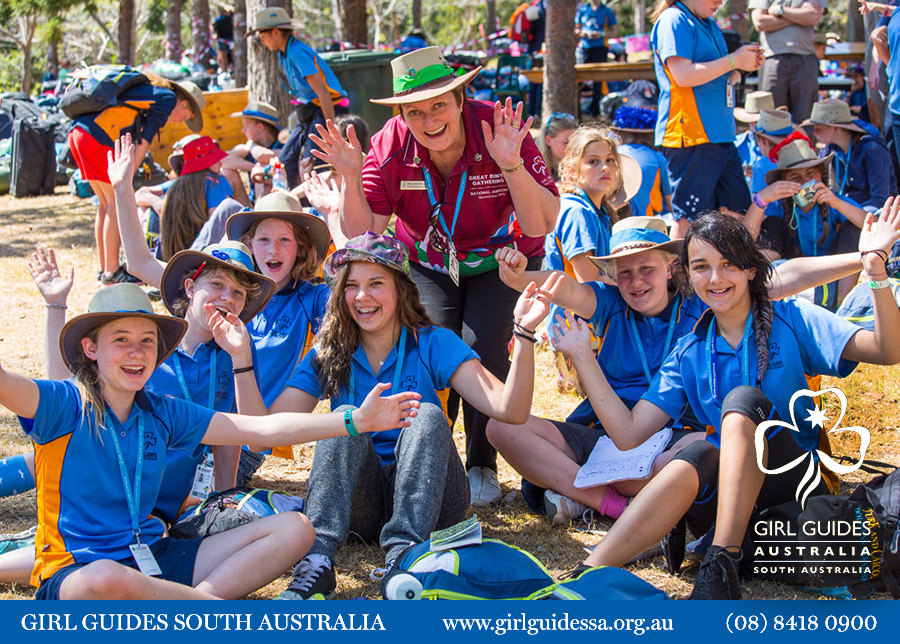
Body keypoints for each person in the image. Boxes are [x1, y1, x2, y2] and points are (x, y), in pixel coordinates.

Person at [554, 208, 900, 599]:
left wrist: (875, 273)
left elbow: (888, 349)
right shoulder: (689, 350)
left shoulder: (792, 317)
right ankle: (585, 575)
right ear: (686, 273)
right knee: (699, 450)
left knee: (742, 403)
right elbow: (628, 434)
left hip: (794, 485)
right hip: (719, 505)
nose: (715, 278)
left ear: (751, 270)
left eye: (729, 264)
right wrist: (584, 358)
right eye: (701, 267)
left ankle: (721, 564)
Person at [0, 279, 422, 600]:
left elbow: (258, 430)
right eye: (121, 341)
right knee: (102, 580)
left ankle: (193, 603)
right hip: (76, 572)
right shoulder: (63, 404)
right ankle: (207, 608)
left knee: (296, 528)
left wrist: (355, 421)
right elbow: (7, 384)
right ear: (91, 348)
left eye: (147, 341)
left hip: (153, 556)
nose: (137, 352)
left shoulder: (160, 409)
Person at [489, 214, 899, 526]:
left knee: (694, 454)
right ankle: (611, 504)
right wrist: (519, 275)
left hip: (682, 439)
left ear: (671, 267)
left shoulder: (706, 301)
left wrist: (866, 262)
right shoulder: (612, 304)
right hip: (613, 430)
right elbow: (561, 285)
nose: (635, 282)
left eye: (646, 268)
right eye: (624, 271)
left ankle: (580, 490)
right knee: (503, 428)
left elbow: (780, 278)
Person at [308, 46, 560, 507]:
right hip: (427, 258)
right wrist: (348, 176)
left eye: (439, 105)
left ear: (461, 100)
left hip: (500, 259)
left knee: (482, 342)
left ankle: (481, 462)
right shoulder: (388, 145)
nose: (428, 120)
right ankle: (428, 456)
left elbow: (542, 222)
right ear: (402, 114)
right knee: (432, 339)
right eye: (414, 111)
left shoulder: (498, 128)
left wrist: (511, 164)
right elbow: (364, 233)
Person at [267, 232, 551, 599]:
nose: (362, 296)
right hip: (361, 506)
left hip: (432, 502)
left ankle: (406, 557)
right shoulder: (330, 352)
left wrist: (524, 333)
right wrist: (241, 360)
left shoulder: (432, 340)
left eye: (376, 284)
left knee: (427, 414)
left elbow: (508, 410)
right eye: (351, 286)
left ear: (402, 289)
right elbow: (273, 428)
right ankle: (318, 560)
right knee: (344, 417)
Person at [224, 191, 333, 483]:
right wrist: (122, 189)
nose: (273, 250)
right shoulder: (232, 292)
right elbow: (142, 266)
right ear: (249, 245)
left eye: (285, 240)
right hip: (202, 426)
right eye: (263, 240)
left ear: (301, 247)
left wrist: (334, 217)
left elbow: (350, 299)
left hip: (246, 443)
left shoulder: (310, 297)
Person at [66, 74, 205, 283]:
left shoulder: (152, 92)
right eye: (185, 116)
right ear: (183, 103)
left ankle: (105, 267)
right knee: (114, 201)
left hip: (79, 133)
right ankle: (112, 272)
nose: (179, 121)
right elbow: (144, 141)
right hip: (96, 136)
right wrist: (127, 175)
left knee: (104, 204)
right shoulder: (167, 99)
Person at [650, 0, 763, 238]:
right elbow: (683, 75)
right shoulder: (674, 19)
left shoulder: (709, 23)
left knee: (736, 215)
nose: (720, 2)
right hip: (691, 136)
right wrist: (734, 60)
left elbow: (721, 78)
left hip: (720, 136)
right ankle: (676, 275)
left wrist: (743, 66)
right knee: (689, 221)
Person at [748, 132, 867, 304]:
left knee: (853, 227)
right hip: (793, 282)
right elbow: (747, 238)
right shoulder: (778, 205)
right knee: (772, 224)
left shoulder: (833, 200)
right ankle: (765, 293)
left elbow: (873, 226)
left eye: (811, 173)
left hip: (835, 276)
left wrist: (837, 203)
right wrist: (761, 199)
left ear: (822, 175)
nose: (805, 181)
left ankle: (843, 302)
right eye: (796, 177)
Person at [247, 7, 349, 189]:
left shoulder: (296, 52)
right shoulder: (283, 53)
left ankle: (314, 209)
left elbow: (323, 93)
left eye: (263, 36)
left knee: (312, 163)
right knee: (286, 161)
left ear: (276, 32)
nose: (261, 41)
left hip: (326, 109)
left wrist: (331, 133)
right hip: (309, 111)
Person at [158, 136, 249, 260]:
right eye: (216, 159)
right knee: (231, 207)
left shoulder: (177, 186)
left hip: (175, 258)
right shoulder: (213, 181)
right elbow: (218, 226)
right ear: (208, 161)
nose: (220, 163)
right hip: (200, 257)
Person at [804, 98, 897, 213]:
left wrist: (848, 213)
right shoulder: (829, 150)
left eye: (818, 128)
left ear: (835, 128)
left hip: (875, 212)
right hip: (843, 207)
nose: (814, 133)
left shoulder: (872, 150)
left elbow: (879, 200)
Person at [749, 0, 825, 124]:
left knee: (807, 119)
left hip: (805, 58)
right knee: (771, 118)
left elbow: (813, 17)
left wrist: (779, 11)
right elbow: (760, 22)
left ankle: (804, 144)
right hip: (772, 58)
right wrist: (800, 16)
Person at [611, 105, 674, 218]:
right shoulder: (658, 158)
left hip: (613, 219)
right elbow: (670, 200)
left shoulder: (611, 155)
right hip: (647, 221)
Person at [223, 100, 284, 202]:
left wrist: (252, 145)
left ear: (260, 127)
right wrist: (254, 168)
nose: (243, 130)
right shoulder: (247, 149)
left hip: (277, 203)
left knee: (263, 169)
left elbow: (262, 155)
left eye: (246, 126)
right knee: (227, 171)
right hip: (252, 204)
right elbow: (221, 160)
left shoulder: (282, 147)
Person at [576, 0, 618, 117]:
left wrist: (601, 35)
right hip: (584, 48)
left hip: (600, 47)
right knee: (580, 79)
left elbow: (614, 31)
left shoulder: (606, 11)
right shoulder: (583, 10)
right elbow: (576, 29)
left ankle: (594, 110)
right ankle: (579, 109)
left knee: (598, 80)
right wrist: (583, 33)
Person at [538, 111, 578, 183]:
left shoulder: (580, 169)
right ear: (548, 141)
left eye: (575, 142)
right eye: (566, 142)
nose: (571, 147)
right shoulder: (537, 170)